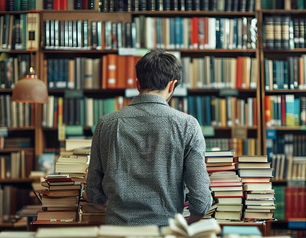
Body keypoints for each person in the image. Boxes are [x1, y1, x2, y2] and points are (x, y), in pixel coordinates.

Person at [85, 50, 212, 226]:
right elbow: (200, 200)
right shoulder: (187, 125)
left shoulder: (106, 124)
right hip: (166, 232)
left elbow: (93, 192)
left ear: (137, 84)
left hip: (117, 233)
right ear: (172, 85)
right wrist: (192, 220)